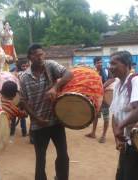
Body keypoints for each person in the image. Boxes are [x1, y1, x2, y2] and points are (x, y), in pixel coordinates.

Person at [20, 44, 73, 180]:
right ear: (30, 57)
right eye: (36, 55)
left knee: (63, 154)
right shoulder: (24, 77)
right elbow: (23, 101)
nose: (40, 57)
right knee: (40, 158)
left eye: (42, 54)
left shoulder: (50, 66)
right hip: (39, 125)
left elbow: (69, 74)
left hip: (56, 121)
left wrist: (55, 87)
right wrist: (36, 118)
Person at [109, 51, 138, 180]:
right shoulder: (117, 85)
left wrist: (121, 126)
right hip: (126, 144)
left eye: (114, 64)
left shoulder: (136, 81)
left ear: (127, 65)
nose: (110, 67)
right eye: (110, 63)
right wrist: (117, 136)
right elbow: (115, 113)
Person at [85, 56, 111, 143]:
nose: (100, 64)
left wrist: (103, 86)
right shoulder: (93, 72)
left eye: (101, 62)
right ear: (94, 64)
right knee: (95, 116)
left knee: (106, 117)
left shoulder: (107, 71)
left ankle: (103, 135)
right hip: (96, 98)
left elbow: (113, 79)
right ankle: (93, 133)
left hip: (105, 98)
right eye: (98, 62)